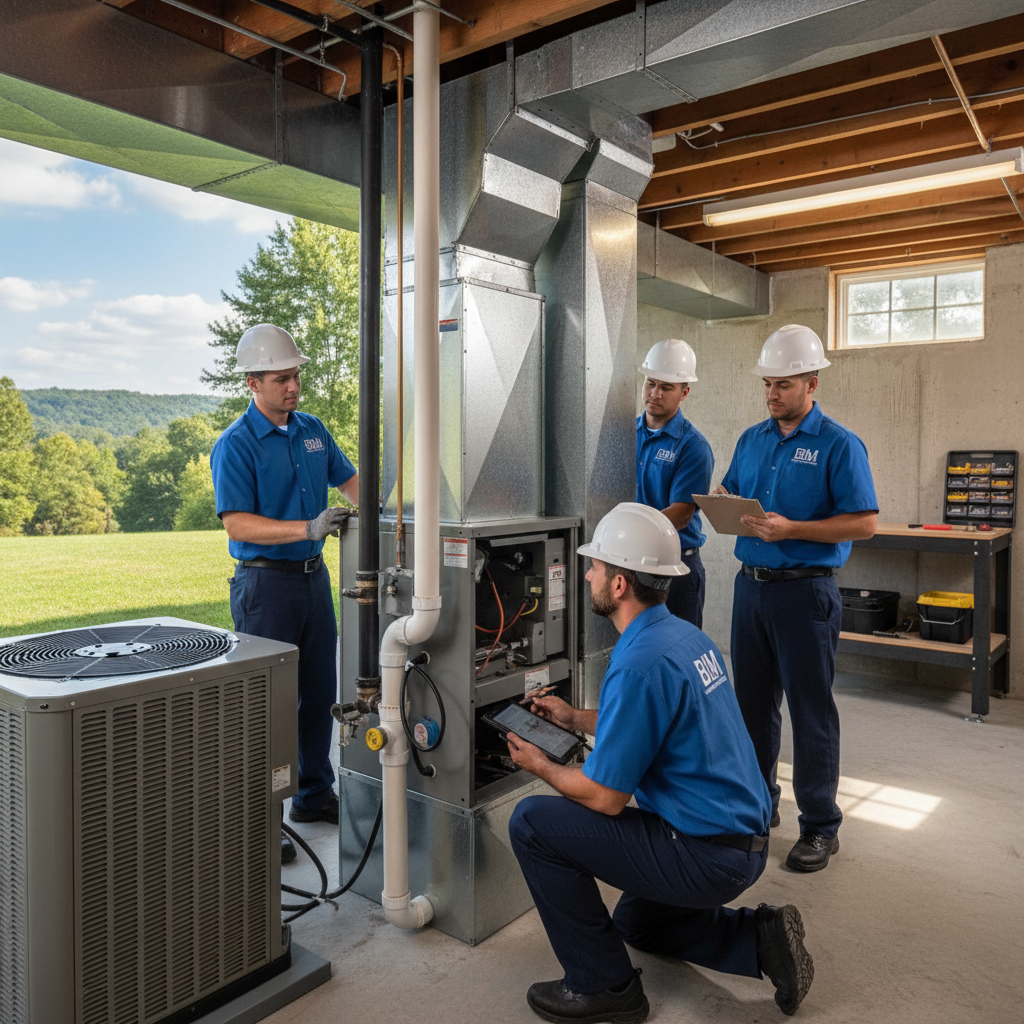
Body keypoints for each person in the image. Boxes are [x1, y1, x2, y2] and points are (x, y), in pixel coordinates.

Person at [506, 502, 814, 1024]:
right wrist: (576, 718)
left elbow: (606, 798)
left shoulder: (636, 664)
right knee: (637, 923)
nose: (587, 575)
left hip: (706, 853)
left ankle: (605, 989)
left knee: (531, 824)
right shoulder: (684, 637)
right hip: (740, 840)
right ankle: (758, 940)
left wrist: (539, 764)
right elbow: (654, 723)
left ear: (621, 585)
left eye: (596, 567)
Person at [716, 324, 877, 873]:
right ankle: (759, 807)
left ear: (811, 383)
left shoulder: (838, 443)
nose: (772, 394)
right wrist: (723, 500)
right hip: (751, 590)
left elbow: (865, 522)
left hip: (805, 593)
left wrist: (793, 531)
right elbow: (736, 492)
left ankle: (820, 827)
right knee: (752, 709)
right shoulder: (751, 439)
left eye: (783, 384)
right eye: (767, 384)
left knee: (812, 712)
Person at [210, 323, 359, 864]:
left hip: (313, 582)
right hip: (264, 586)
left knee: (320, 693)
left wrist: (400, 514)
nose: (293, 387)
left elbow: (351, 481)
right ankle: (258, 820)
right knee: (265, 706)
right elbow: (239, 526)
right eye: (280, 379)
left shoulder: (313, 430)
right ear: (253, 382)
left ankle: (314, 795)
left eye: (295, 375)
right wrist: (309, 528)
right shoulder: (236, 444)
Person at [635, 339, 714, 627]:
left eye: (666, 387)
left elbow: (681, 514)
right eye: (650, 383)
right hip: (631, 560)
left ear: (684, 392)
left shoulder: (693, 446)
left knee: (677, 655)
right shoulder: (623, 433)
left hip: (676, 567)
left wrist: (630, 531)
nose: (655, 393)